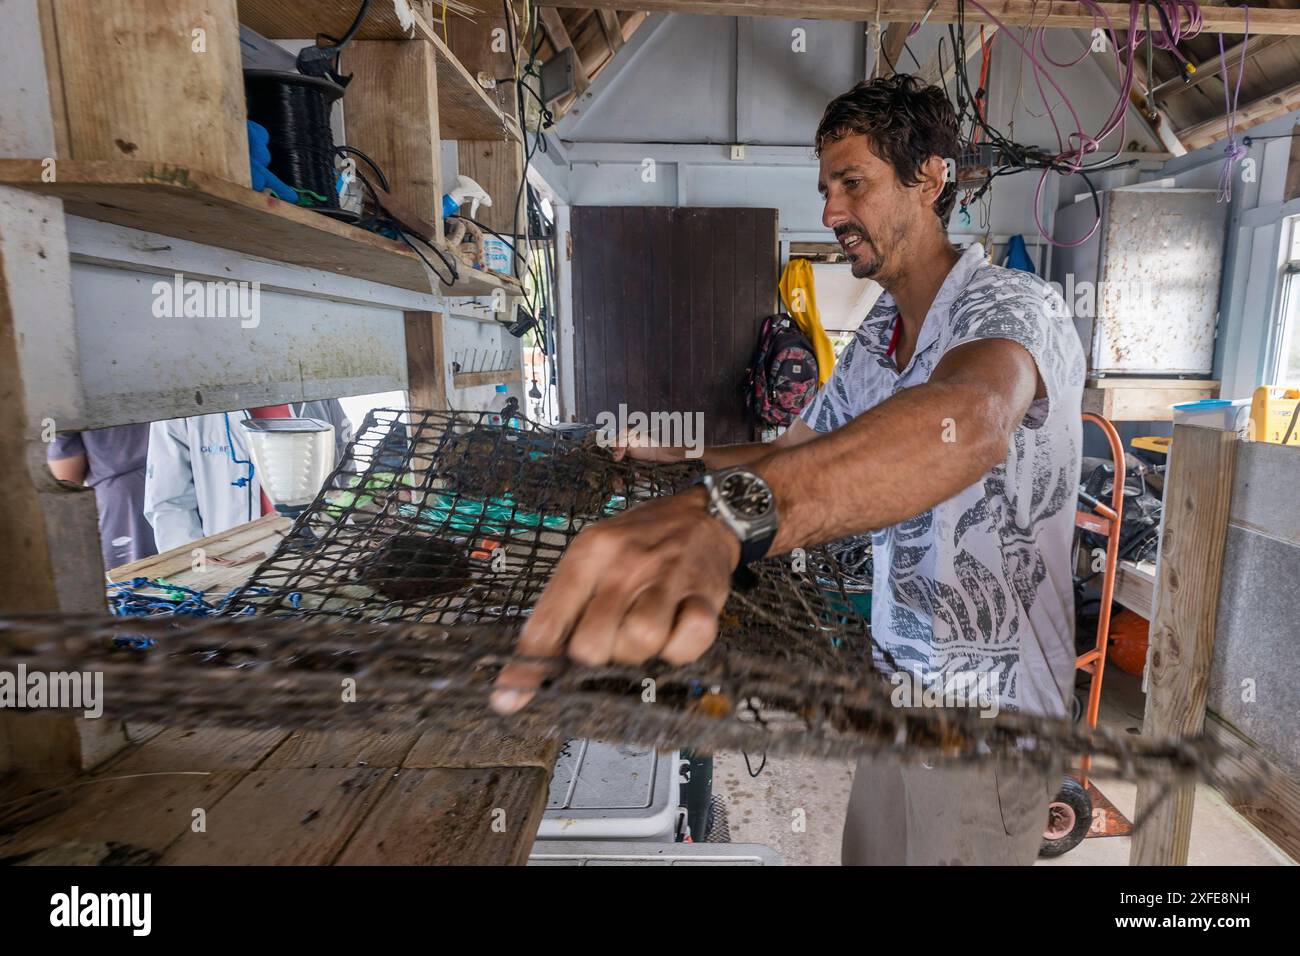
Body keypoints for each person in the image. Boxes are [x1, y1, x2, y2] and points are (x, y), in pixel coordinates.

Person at [492, 75, 1085, 866]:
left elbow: (968, 423)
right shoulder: (879, 333)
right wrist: (684, 456)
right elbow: (797, 449)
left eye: (853, 184)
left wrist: (726, 517)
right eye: (826, 189)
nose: (832, 212)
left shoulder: (1015, 306)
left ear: (931, 176)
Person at [144, 400, 353, 552]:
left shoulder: (313, 385)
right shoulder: (182, 401)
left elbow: (345, 464)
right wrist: (196, 565)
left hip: (319, 549)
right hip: (234, 559)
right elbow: (169, 504)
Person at [47, 424, 158, 572]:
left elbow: (68, 480)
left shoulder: (62, 405)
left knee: (134, 585)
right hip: (180, 488)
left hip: (121, 509)